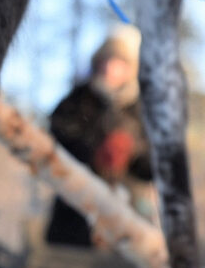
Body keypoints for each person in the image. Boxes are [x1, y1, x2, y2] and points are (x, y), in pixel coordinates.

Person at [45, 26, 153, 246]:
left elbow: (154, 166)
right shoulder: (77, 100)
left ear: (131, 68)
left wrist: (131, 151)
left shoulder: (142, 109)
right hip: (74, 219)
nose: (110, 68)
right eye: (107, 60)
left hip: (129, 224)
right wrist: (94, 152)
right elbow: (56, 139)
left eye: (119, 62)